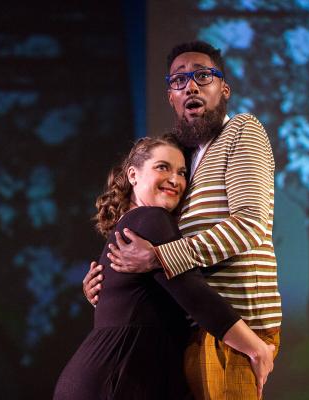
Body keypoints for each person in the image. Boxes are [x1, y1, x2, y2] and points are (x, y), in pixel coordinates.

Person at [83, 41, 282, 399]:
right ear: (171, 97)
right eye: (179, 80)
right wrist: (106, 281)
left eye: (202, 75)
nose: (190, 85)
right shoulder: (185, 156)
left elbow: (251, 222)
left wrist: (162, 257)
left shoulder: (241, 131)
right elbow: (141, 215)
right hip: (195, 330)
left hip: (238, 330)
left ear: (224, 90)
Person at [55, 136, 274, 399]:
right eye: (162, 167)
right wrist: (256, 348)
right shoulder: (151, 219)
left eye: (182, 172)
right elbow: (193, 293)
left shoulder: (131, 225)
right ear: (133, 175)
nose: (175, 179)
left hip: (107, 378)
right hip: (117, 380)